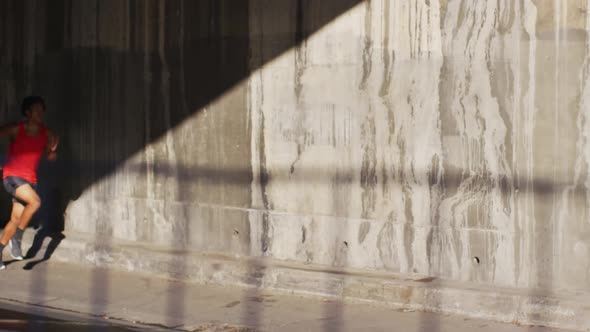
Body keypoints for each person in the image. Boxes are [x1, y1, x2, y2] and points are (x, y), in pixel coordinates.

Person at [0, 96, 58, 269]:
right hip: (12, 176)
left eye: (42, 110)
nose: (40, 113)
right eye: (36, 110)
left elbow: (49, 152)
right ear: (27, 112)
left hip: (30, 180)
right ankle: (18, 237)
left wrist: (52, 152)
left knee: (15, 219)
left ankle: (2, 247)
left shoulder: (46, 132)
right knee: (35, 202)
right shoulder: (16, 129)